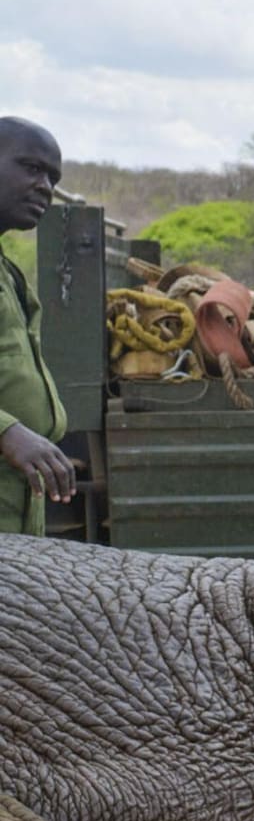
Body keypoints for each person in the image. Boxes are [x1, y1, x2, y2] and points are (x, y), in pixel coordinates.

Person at [0, 117, 75, 535]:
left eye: (52, 177)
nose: (45, 186)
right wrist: (8, 432)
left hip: (17, 505)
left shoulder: (8, 272)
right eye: (31, 168)